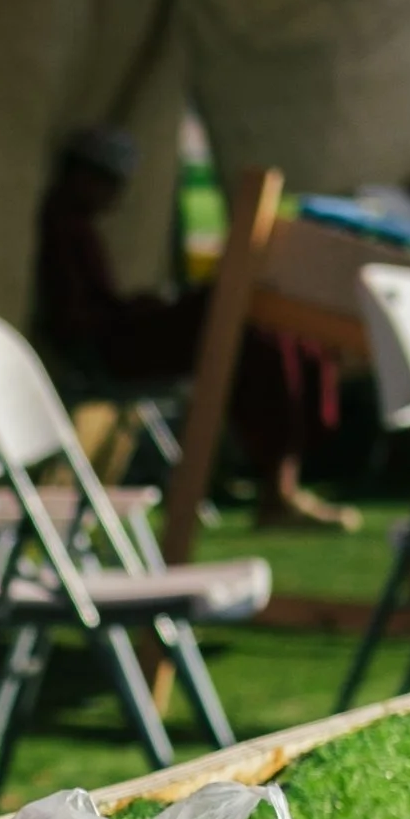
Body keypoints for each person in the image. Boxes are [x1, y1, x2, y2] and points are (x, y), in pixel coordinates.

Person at [33, 124, 341, 527]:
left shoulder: (75, 228)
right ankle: (276, 488)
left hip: (119, 337)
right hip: (111, 351)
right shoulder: (62, 230)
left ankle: (280, 480)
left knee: (267, 332)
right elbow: (80, 323)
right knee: (244, 327)